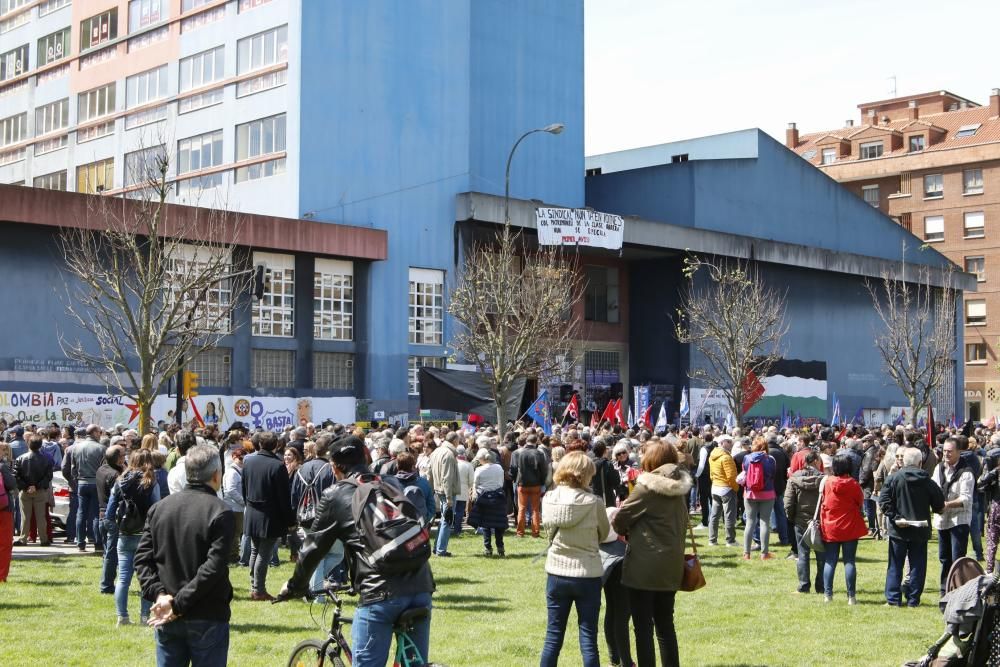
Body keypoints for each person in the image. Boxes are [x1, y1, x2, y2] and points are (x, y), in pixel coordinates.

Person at [278, 436, 436, 667]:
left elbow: (312, 548)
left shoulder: (335, 495)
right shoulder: (391, 483)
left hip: (379, 593)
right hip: (421, 585)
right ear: (366, 456)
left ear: (333, 467)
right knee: (415, 664)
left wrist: (295, 587)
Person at [135, 444, 235, 667]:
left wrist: (167, 599)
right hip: (200, 612)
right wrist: (163, 597)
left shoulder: (161, 508)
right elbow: (213, 568)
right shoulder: (220, 511)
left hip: (174, 608)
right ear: (216, 475)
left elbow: (142, 560)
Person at [612, 441, 690, 667]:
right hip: (671, 564)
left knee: (643, 628)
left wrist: (626, 525)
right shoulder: (680, 484)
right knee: (666, 625)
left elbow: (620, 520)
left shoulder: (646, 487)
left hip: (644, 566)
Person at [539, 450, 609, 667]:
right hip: (587, 573)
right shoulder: (593, 502)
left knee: (553, 636)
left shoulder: (549, 498)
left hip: (557, 572)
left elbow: (547, 529)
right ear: (584, 474)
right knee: (588, 636)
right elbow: (604, 533)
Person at [880, 447, 945, 607]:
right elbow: (939, 504)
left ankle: (893, 599)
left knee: (895, 564)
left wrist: (895, 518)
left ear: (903, 461)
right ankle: (913, 599)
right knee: (917, 565)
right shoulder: (928, 481)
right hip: (920, 530)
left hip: (898, 529)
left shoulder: (894, 478)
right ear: (920, 463)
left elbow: (884, 502)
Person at [106, 449, 162, 625]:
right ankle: (145, 616)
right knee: (147, 578)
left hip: (125, 532)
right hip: (145, 535)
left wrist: (115, 527)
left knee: (123, 578)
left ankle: (122, 616)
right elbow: (156, 508)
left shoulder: (120, 481)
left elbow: (109, 511)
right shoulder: (151, 481)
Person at [242, 431, 294, 601]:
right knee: (263, 553)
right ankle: (258, 589)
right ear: (276, 445)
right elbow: (284, 498)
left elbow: (244, 488)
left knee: (256, 551)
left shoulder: (248, 461)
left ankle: (255, 586)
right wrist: (290, 520)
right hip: (269, 515)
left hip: (252, 511)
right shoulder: (277, 465)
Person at [819, 454, 868, 605]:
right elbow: (860, 502)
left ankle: (828, 595)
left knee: (830, 561)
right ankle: (851, 597)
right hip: (849, 526)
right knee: (849, 561)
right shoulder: (853, 483)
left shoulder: (828, 482)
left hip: (831, 526)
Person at [932, 437, 975, 596]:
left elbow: (966, 499)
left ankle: (958, 592)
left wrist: (947, 505)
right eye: (944, 451)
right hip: (942, 520)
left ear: (959, 452)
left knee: (957, 559)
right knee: (944, 558)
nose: (946, 454)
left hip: (959, 520)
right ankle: (944, 592)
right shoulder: (939, 469)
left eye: (950, 451)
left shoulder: (966, 472)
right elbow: (934, 488)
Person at [784, 451, 824, 594]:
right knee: (821, 555)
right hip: (819, 521)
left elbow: (788, 502)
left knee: (802, 554)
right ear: (814, 461)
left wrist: (792, 517)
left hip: (800, 521)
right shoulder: (824, 479)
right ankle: (821, 586)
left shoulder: (794, 478)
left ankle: (803, 586)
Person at [599, 507, 632, 667]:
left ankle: (615, 659)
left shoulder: (604, 545)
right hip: (619, 561)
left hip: (607, 560)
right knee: (621, 614)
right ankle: (625, 661)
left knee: (612, 610)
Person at [13, 434, 53, 547]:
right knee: (41, 516)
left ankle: (23, 539)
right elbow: (48, 476)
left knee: (25, 517)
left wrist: (26, 487)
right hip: (40, 491)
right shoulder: (46, 459)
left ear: (28, 444)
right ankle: (44, 539)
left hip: (25, 492)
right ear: (40, 445)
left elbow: (16, 475)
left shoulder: (20, 458)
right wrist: (37, 486)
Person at [741, 438, 777, 560]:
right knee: (765, 522)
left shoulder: (747, 458)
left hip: (750, 493)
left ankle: (746, 553)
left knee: (750, 522)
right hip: (767, 493)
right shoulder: (770, 459)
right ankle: (764, 553)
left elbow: (744, 472)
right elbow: (773, 474)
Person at [71, 424, 106, 553]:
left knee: (81, 513)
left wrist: (76, 481)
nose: (101, 434)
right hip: (96, 482)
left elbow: (72, 468)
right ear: (95, 432)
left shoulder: (76, 448)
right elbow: (105, 468)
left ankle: (80, 543)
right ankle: (98, 542)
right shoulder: (101, 448)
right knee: (97, 513)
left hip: (82, 482)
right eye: (99, 432)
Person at [467, 447, 507, 557]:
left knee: (486, 525)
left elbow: (476, 484)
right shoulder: (499, 467)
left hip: (484, 498)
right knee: (498, 524)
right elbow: (501, 482)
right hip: (498, 497)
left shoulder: (479, 470)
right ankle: (500, 547)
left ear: (481, 459)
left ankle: (488, 548)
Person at [96, 445, 125, 594]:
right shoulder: (114, 475)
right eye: (123, 456)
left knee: (108, 552)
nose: (125, 458)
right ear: (117, 458)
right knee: (112, 554)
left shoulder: (101, 470)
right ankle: (106, 585)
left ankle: (107, 583)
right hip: (112, 516)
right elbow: (121, 495)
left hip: (102, 514)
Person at [426, 432, 461, 557]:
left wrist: (430, 491)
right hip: (447, 492)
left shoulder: (436, 452)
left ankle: (437, 547)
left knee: (444, 519)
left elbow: (429, 473)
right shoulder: (449, 454)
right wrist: (449, 497)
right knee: (447, 520)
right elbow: (447, 477)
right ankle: (441, 549)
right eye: (458, 440)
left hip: (438, 490)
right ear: (455, 441)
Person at [512, 435, 550, 539]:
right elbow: (544, 470)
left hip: (522, 484)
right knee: (535, 509)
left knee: (522, 508)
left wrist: (516, 480)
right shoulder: (539, 453)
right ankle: (535, 532)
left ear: (527, 441)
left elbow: (515, 468)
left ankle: (520, 532)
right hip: (535, 484)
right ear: (536, 441)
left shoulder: (520, 452)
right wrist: (542, 482)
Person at [708, 434, 739, 547]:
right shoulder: (726, 457)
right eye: (729, 442)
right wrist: (735, 487)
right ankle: (730, 540)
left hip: (716, 487)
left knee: (714, 515)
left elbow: (711, 473)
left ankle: (712, 540)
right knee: (729, 515)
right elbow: (731, 476)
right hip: (726, 488)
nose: (731, 444)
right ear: (722, 443)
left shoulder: (712, 455)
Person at [221, 447, 247, 564]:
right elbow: (230, 490)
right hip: (234, 507)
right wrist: (243, 501)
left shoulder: (238, 470)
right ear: (234, 457)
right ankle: (232, 556)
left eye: (244, 458)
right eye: (240, 458)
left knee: (237, 532)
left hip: (236, 506)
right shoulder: (232, 472)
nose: (242, 461)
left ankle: (234, 554)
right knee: (235, 533)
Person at [0, 443, 15, 581]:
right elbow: (11, 484)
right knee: (4, 543)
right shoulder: (3, 466)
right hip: (3, 508)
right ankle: (1, 575)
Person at [453, 445, 474, 534]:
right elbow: (471, 480)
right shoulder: (468, 465)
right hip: (463, 489)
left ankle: (452, 527)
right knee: (460, 510)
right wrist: (468, 487)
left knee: (452, 510)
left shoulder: (453, 463)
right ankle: (457, 529)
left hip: (452, 489)